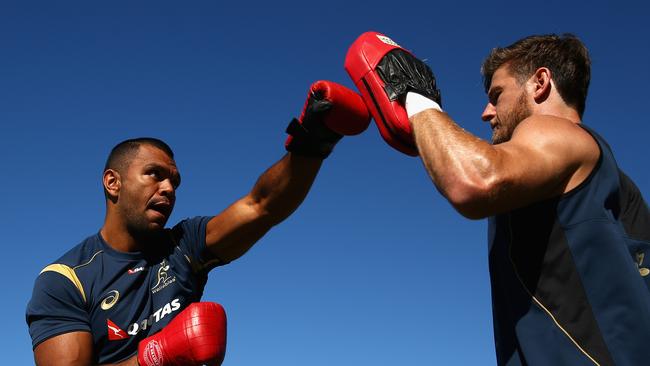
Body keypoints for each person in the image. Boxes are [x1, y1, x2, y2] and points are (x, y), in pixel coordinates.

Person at [346, 32, 650, 365]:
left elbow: (473, 182)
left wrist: (417, 98)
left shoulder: (555, 132)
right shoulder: (621, 192)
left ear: (540, 83)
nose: (486, 112)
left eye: (497, 94)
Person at [25, 80, 370, 365]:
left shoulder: (183, 246)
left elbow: (262, 207)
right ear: (113, 182)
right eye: (155, 175)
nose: (168, 189)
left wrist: (314, 140)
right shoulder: (66, 279)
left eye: (174, 181)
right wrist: (156, 356)